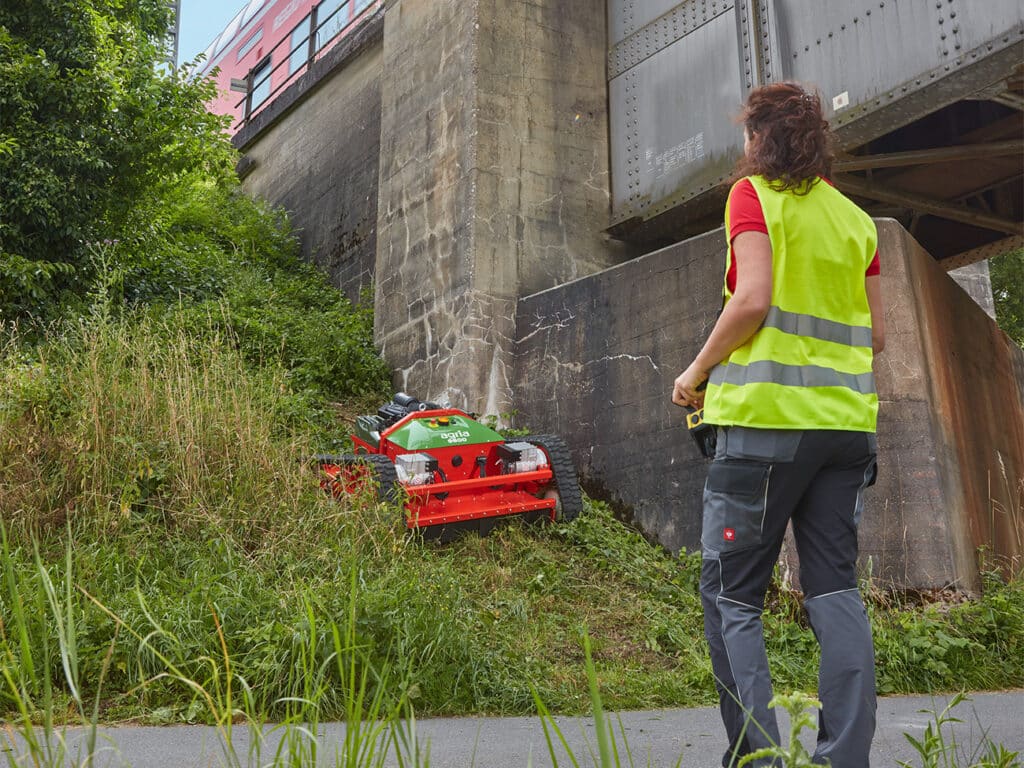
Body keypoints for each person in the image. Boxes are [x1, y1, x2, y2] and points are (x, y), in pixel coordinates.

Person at [672, 82, 885, 768]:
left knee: (731, 595)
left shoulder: (752, 197)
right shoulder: (858, 222)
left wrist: (695, 371)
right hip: (846, 435)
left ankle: (758, 758)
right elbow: (877, 336)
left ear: (761, 140)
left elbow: (753, 300)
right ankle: (843, 758)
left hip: (764, 430)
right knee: (835, 590)